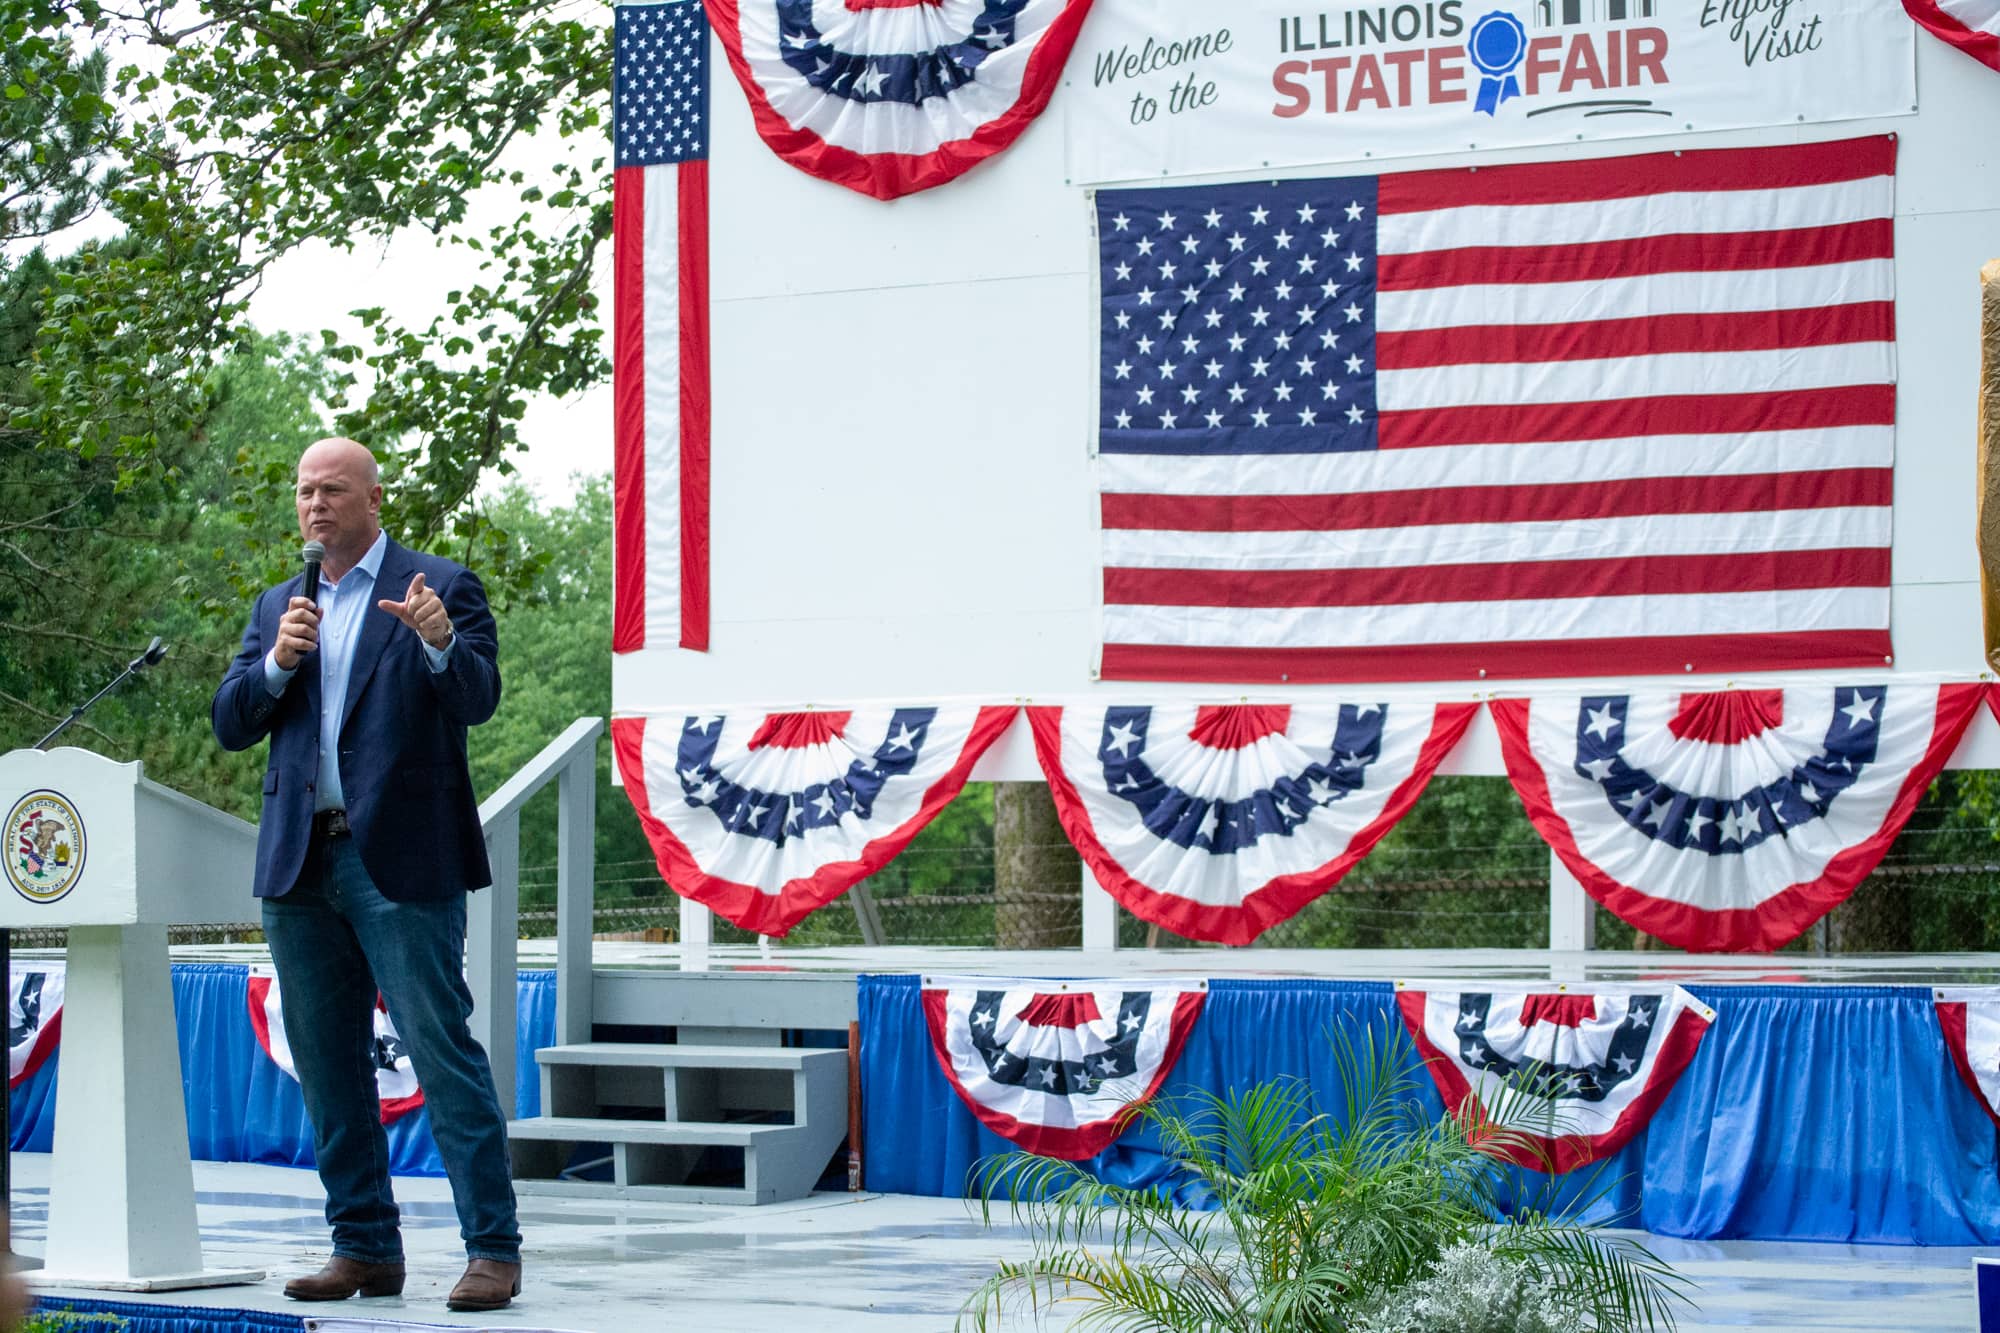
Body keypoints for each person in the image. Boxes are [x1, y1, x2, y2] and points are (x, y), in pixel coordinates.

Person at [211, 437, 522, 1312]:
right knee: (326, 1063)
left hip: (401, 860)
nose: (315, 505)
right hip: (301, 861)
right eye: (304, 491)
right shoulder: (282, 604)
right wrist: (275, 662)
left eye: (333, 490)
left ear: (375, 499)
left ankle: (492, 1247)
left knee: (439, 1048)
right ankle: (364, 1245)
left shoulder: (441, 586)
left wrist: (437, 643)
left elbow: (478, 698)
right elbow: (231, 722)